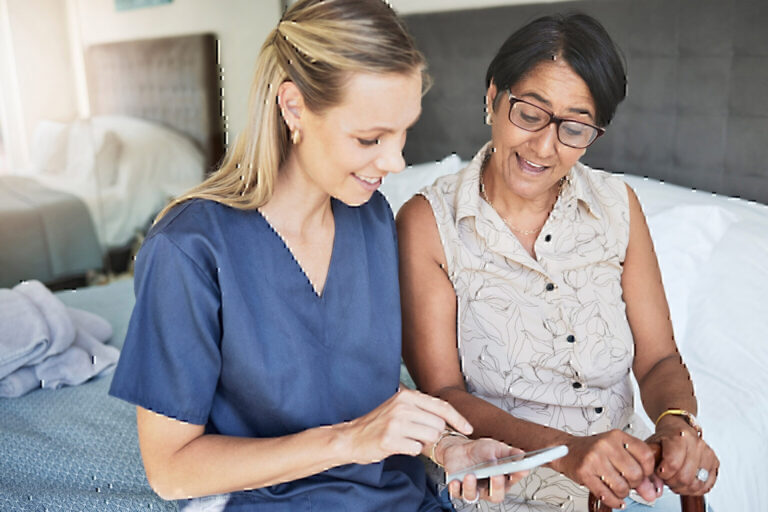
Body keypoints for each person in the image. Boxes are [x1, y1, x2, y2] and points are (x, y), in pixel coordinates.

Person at [108, 1, 529, 510]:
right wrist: (348, 441)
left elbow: (355, 391)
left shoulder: (371, 219)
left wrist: (447, 447)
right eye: (370, 138)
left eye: (404, 132)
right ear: (293, 108)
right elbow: (171, 471)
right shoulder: (188, 248)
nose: (396, 161)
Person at [396, 13, 719, 512]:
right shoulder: (429, 223)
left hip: (627, 486)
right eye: (529, 114)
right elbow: (443, 393)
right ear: (493, 97)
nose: (544, 148)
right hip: (504, 492)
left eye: (574, 128)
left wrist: (677, 425)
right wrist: (569, 452)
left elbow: (658, 360)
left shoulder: (617, 206)